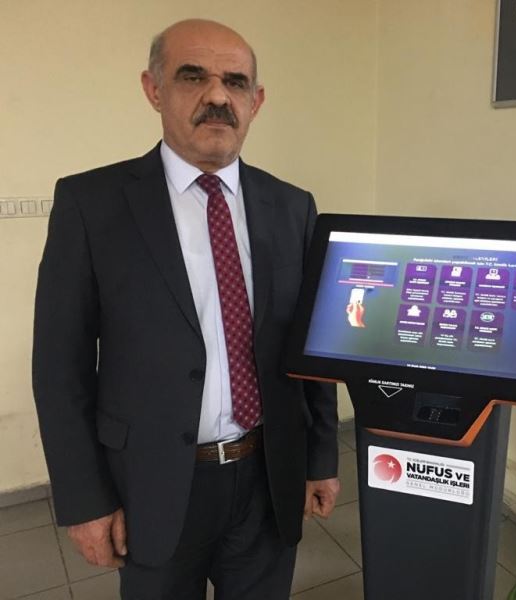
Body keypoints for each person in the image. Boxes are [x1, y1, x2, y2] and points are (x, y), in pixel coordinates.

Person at [31, 19, 340, 600]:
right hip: (149, 485)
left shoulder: (293, 207)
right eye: (192, 77)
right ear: (153, 89)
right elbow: (59, 368)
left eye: (235, 82)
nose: (217, 95)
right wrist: (84, 499)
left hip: (268, 477)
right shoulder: (91, 205)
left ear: (256, 101)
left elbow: (310, 348)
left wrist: (321, 457)